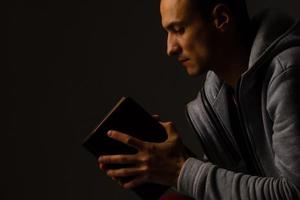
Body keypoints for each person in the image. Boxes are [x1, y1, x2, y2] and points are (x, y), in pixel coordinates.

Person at [98, 0, 300, 199]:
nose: (170, 48)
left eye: (179, 29)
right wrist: (164, 164)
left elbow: (293, 193)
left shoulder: (288, 73)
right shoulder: (212, 101)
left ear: (221, 19)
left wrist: (179, 170)